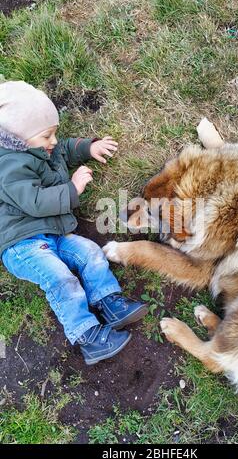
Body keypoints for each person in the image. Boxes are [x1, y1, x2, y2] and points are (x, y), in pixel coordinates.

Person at [0, 81, 148, 365]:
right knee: (60, 278)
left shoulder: (39, 146)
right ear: (19, 139)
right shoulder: (9, 167)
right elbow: (33, 201)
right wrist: (72, 189)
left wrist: (88, 148)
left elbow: (64, 151)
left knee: (90, 252)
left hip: (53, 234)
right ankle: (87, 335)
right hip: (22, 244)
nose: (53, 141)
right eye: (47, 136)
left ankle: (109, 301)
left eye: (53, 133)